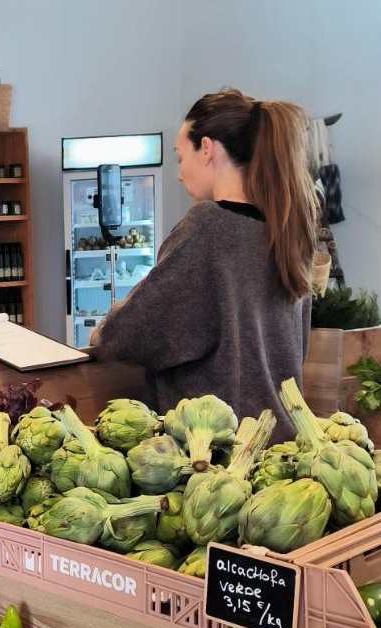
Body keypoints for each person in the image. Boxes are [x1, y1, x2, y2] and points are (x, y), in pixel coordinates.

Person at [91, 88, 317, 440]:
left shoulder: (209, 227)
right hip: (279, 453)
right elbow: (295, 350)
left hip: (217, 460)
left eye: (181, 157)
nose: (179, 174)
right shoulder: (286, 231)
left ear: (208, 149)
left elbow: (131, 333)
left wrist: (105, 329)